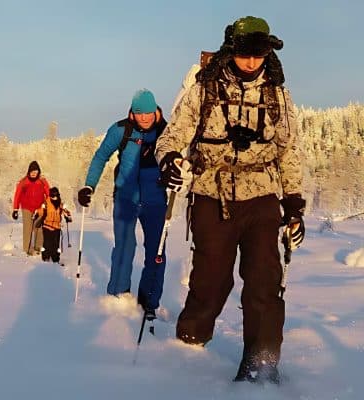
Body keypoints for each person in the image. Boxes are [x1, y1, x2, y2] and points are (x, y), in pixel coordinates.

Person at [155, 16, 304, 384]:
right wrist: (169, 161)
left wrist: (294, 204)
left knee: (264, 283)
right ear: (231, 51)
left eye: (259, 54)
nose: (252, 62)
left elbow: (289, 151)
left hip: (262, 197)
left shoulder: (278, 95)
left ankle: (262, 363)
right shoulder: (204, 89)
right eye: (245, 54)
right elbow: (172, 136)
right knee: (210, 277)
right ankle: (191, 339)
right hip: (212, 194)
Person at [77, 89, 169, 320]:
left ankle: (149, 301)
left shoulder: (167, 131)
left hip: (155, 199)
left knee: (156, 252)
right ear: (132, 113)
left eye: (148, 112)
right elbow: (101, 156)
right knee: (124, 247)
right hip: (126, 197)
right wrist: (89, 186)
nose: (144, 118)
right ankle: (118, 294)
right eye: (139, 113)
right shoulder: (121, 130)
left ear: (155, 110)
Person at [12, 161, 50, 255]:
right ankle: (27, 249)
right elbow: (17, 195)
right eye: (32, 172)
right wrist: (15, 209)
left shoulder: (42, 181)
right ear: (29, 172)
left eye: (35, 172)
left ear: (38, 172)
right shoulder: (23, 182)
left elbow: (49, 194)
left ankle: (38, 247)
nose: (33, 174)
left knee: (39, 227)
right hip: (27, 208)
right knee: (28, 228)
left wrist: (49, 206)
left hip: (39, 208)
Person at [33, 187, 72, 263]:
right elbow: (40, 211)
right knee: (47, 243)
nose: (54, 197)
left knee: (56, 244)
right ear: (50, 195)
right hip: (47, 226)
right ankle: (45, 257)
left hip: (57, 227)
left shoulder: (60, 204)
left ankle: (55, 258)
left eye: (56, 196)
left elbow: (66, 212)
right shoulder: (46, 203)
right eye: (53, 196)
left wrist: (68, 216)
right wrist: (36, 214)